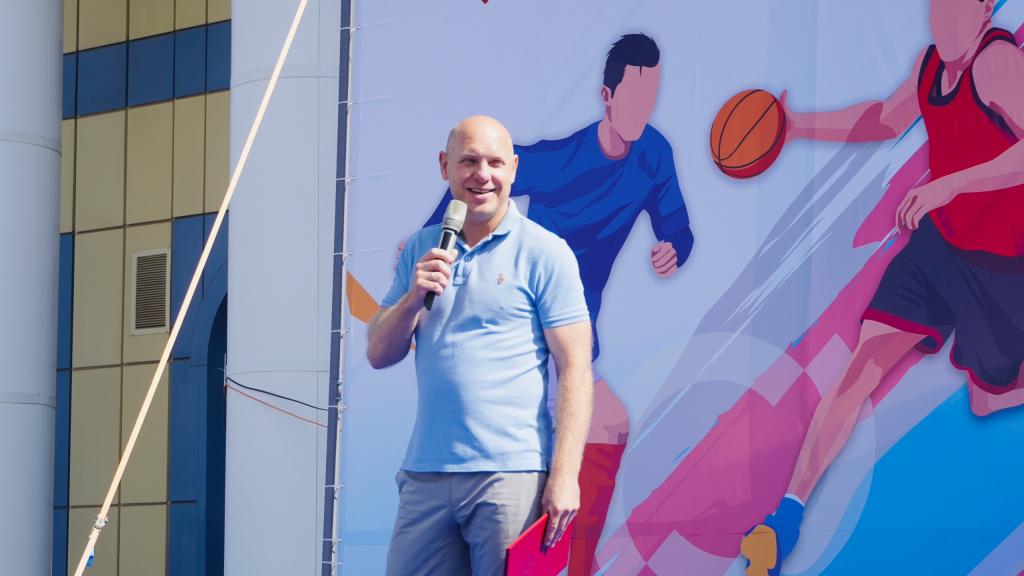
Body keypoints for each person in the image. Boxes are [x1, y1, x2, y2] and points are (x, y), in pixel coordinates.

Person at [742, 1, 1024, 574]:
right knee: (861, 365)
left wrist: (950, 186)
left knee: (988, 397)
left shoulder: (997, 63)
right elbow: (883, 119)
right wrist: (796, 127)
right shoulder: (929, 65)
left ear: (984, 7)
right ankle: (785, 518)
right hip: (939, 246)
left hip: (1000, 264)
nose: (944, 12)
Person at [423, 34, 694, 574]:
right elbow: (475, 185)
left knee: (604, 429)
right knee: (590, 430)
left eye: (652, 96)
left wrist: (674, 248)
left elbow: (678, 226)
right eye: (635, 97)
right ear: (607, 96)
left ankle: (564, 559)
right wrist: (433, 242)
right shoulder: (562, 159)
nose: (644, 109)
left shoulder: (654, 155)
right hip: (525, 321)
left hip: (574, 327)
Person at [367, 115, 594, 576]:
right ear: (444, 166)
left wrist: (566, 474)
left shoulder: (546, 252)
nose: (482, 175)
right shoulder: (423, 249)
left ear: (514, 168)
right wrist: (413, 298)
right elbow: (378, 353)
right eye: (469, 161)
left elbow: (575, 366)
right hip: (426, 473)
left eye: (494, 162)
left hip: (511, 474)